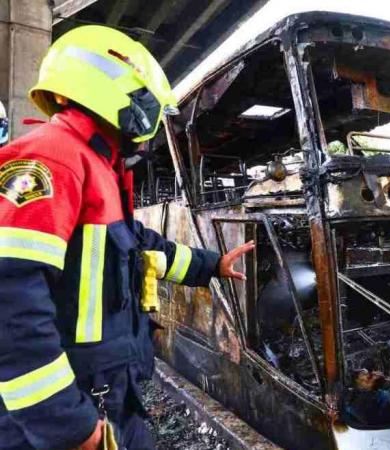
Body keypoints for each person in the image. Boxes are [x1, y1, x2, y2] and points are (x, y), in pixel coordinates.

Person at [0, 26, 255, 450]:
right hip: (62, 417)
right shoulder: (52, 156)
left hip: (106, 395)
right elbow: (9, 298)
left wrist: (212, 264)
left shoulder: (98, 166)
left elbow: (137, 246)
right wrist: (66, 424)